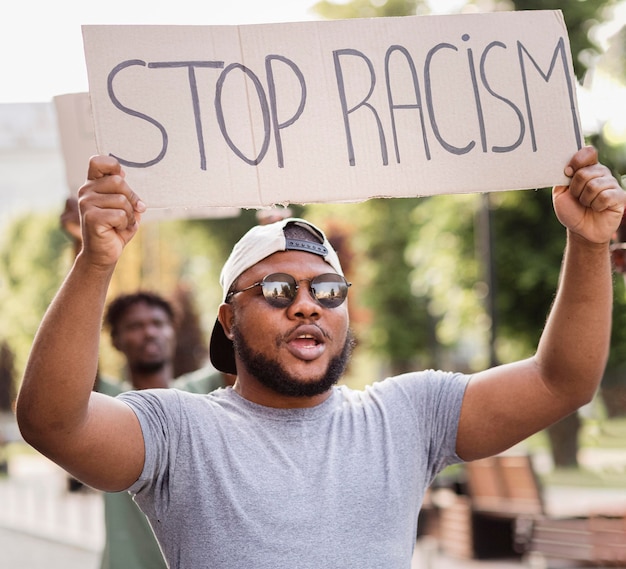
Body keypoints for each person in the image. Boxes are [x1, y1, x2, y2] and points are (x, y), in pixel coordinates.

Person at [16, 146, 625, 568]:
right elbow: (52, 421)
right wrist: (96, 260)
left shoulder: (407, 416)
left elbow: (561, 380)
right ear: (228, 320)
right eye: (279, 290)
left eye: (327, 291)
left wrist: (588, 242)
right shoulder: (181, 428)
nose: (307, 305)